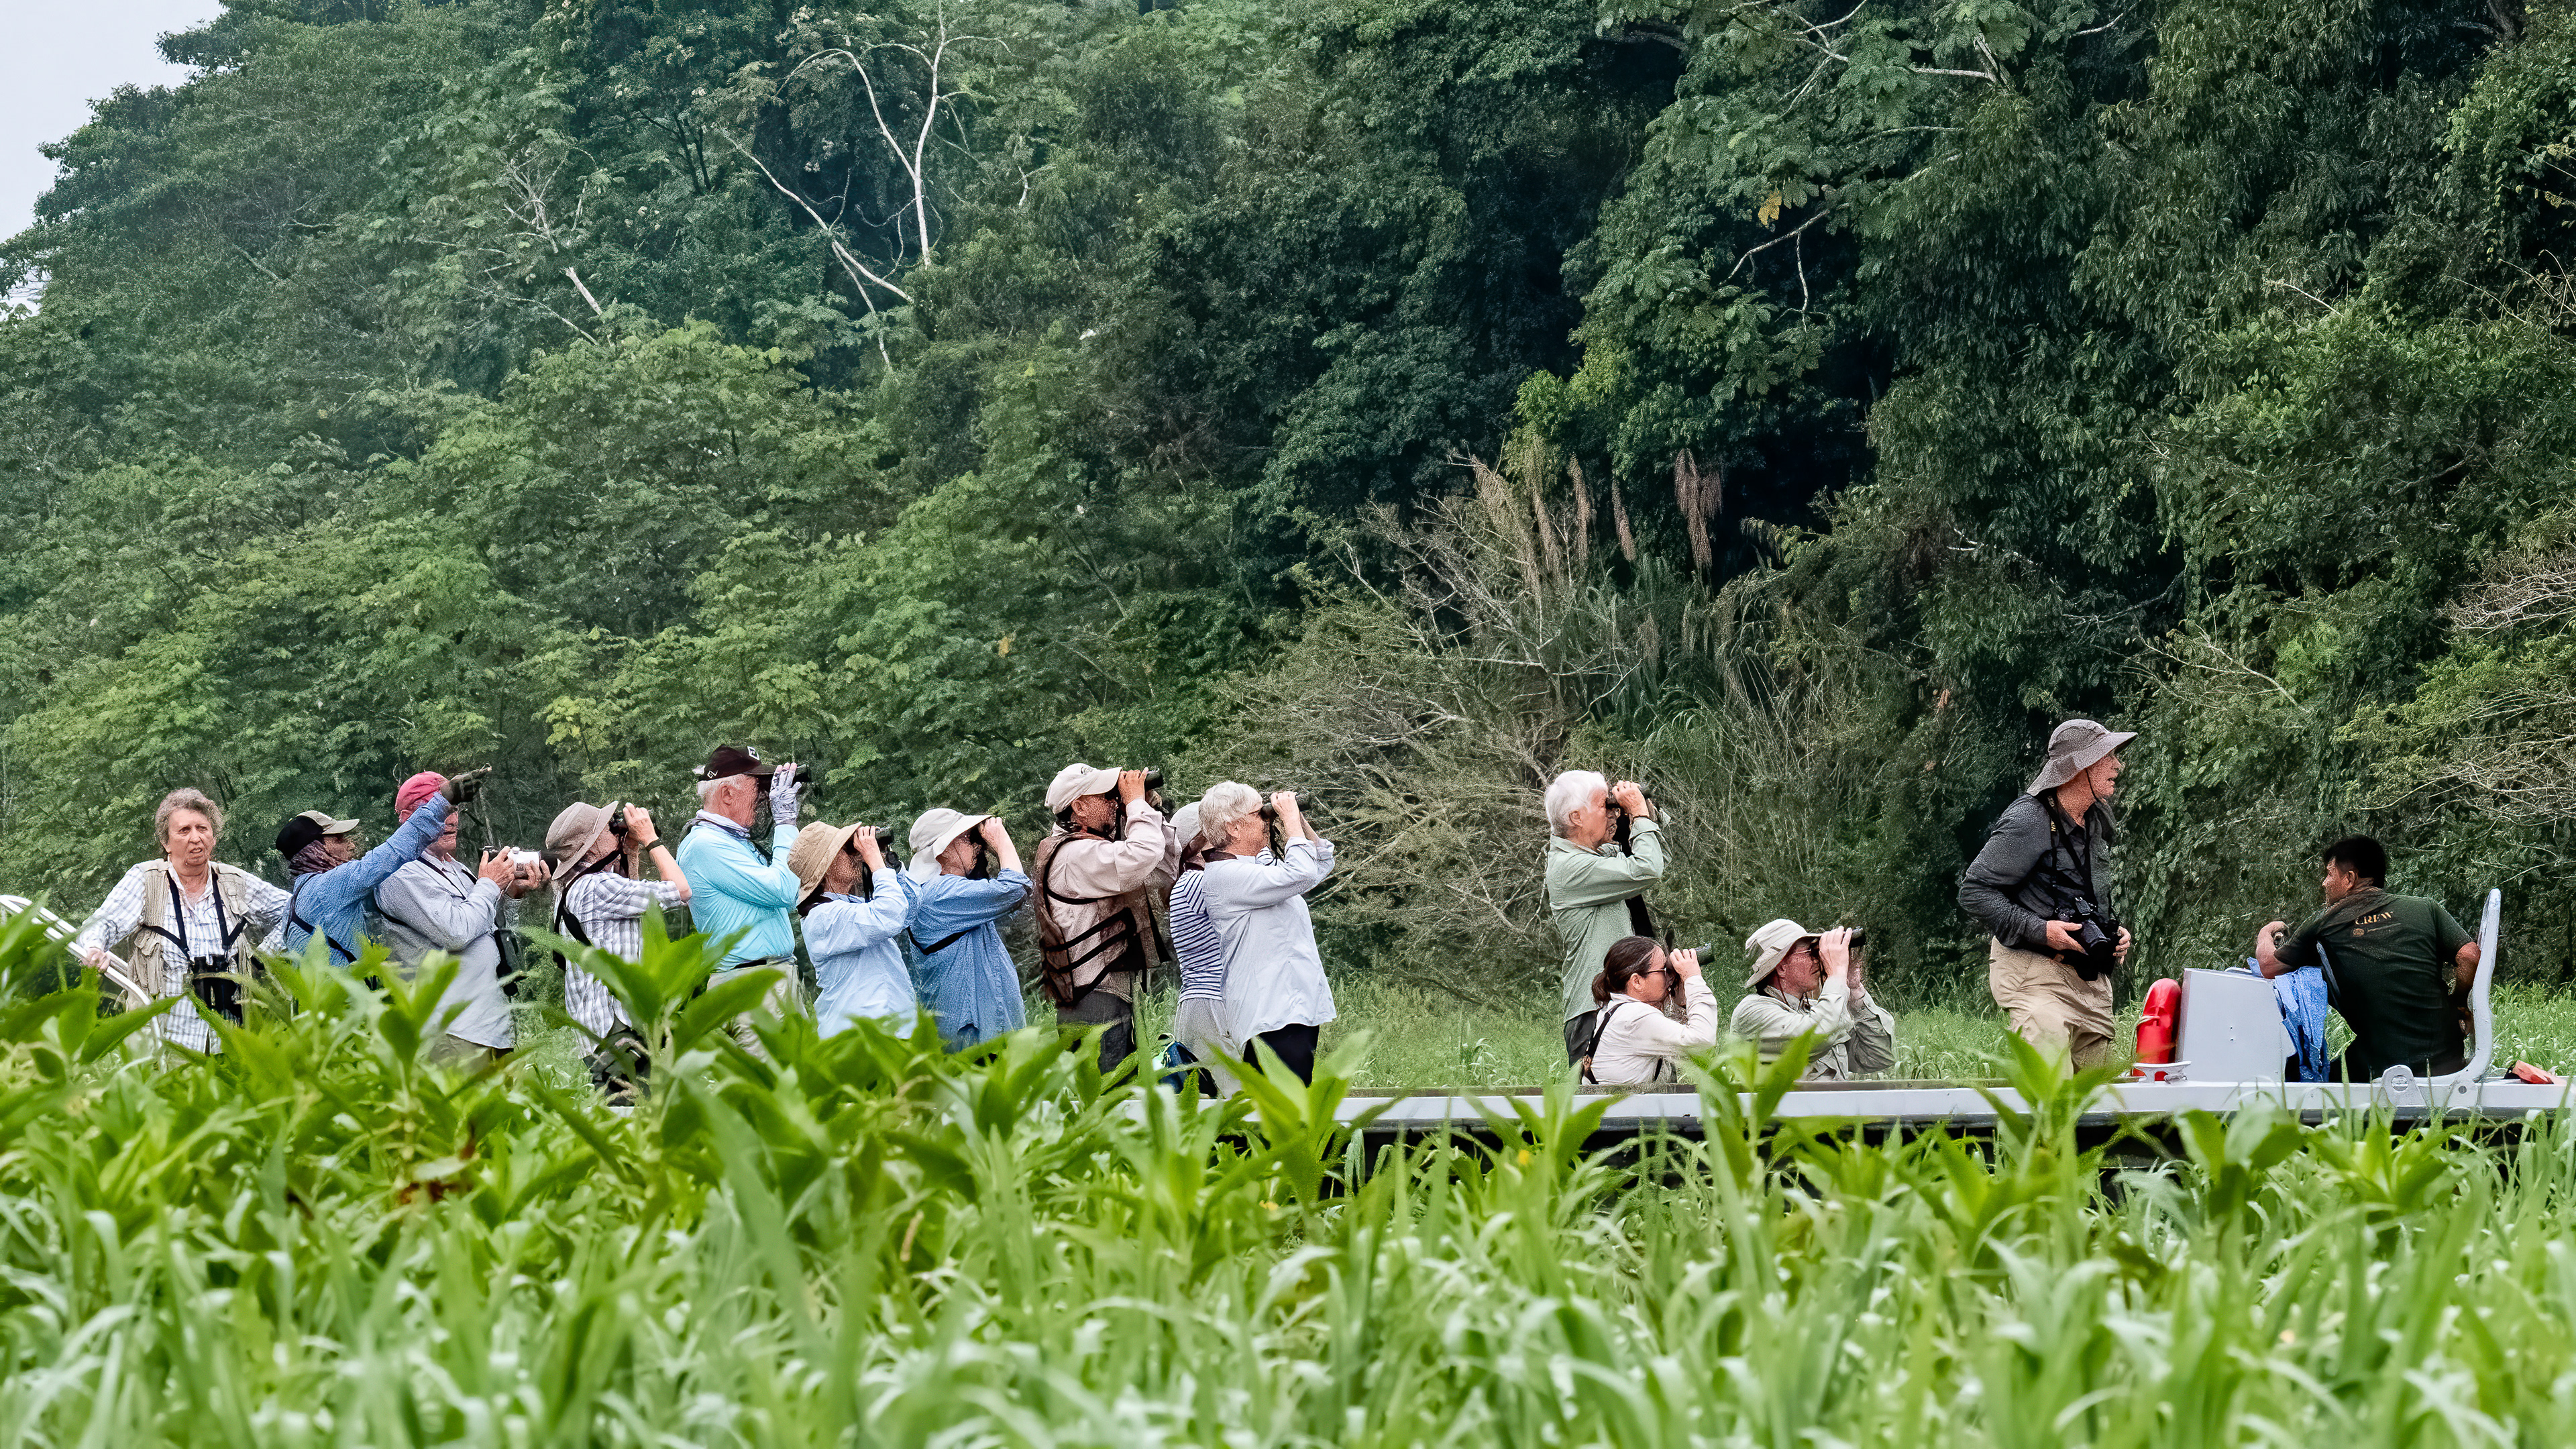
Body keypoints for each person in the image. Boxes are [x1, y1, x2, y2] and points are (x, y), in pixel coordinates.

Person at [1958, 719, 2136, 1073]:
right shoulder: (2029, 818)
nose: (2119, 765)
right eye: (2108, 756)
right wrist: (2042, 930)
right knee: (2052, 1092)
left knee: (2102, 1099)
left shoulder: (2097, 818)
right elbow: (1974, 891)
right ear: (2079, 767)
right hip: (2036, 976)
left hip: (2089, 982)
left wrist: (2111, 933)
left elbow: (2083, 892)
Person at [74, 788, 290, 1052]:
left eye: (202, 828)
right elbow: (102, 923)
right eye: (184, 830)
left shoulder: (234, 882)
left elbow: (295, 909)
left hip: (233, 1043)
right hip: (164, 1046)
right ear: (166, 842)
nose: (195, 838)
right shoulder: (146, 881)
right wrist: (94, 948)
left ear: (213, 838)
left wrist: (262, 960)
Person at [2257, 835, 2479, 1081]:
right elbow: (2470, 955)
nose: (2324, 883)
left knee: (2293, 1076)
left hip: (2382, 1064)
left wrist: (2266, 932)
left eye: (2329, 874)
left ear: (2350, 879)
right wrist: (2459, 1001)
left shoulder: (2325, 922)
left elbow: (2269, 966)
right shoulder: (2425, 907)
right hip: (2447, 1058)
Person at [374, 771, 548, 1066]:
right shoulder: (401, 873)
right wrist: (489, 883)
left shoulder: (458, 869)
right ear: (408, 819)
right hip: (451, 1032)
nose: (452, 819)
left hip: (492, 1029)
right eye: (441, 809)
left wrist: (513, 894)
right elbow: (455, 932)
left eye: (454, 809)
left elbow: (485, 926)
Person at [1030, 762, 1179, 1073]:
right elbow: (1143, 854)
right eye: (1106, 796)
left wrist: (1147, 810)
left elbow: (1164, 872)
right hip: (1094, 1000)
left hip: (1102, 997)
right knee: (1107, 1096)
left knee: (1119, 1094)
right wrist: (1135, 804)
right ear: (1079, 807)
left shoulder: (1090, 849)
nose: (1114, 802)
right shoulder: (1074, 855)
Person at [271, 768, 488, 967]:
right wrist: (444, 799)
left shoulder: (294, 904)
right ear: (314, 850)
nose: (350, 845)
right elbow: (393, 852)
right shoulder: (328, 888)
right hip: (347, 997)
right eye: (338, 839)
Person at [544, 800, 690, 1092]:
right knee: (628, 1112)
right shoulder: (598, 886)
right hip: (617, 1029)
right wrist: (650, 839)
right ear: (594, 845)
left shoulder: (574, 887)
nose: (615, 831)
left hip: (603, 1027)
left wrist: (630, 850)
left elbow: (630, 902)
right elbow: (681, 890)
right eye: (608, 829)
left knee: (629, 1109)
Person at [672, 745, 806, 1055]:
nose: (765, 799)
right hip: (751, 987)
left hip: (770, 979)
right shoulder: (706, 845)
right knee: (766, 1083)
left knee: (801, 1081)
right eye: (758, 789)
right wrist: (786, 822)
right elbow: (785, 891)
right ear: (728, 794)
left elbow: (789, 894)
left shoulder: (731, 841)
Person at [1198, 783, 1336, 1083]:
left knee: (1293, 1100)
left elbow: (1318, 865)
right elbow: (1301, 873)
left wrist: (1297, 820)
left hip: (1291, 1007)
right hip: (1272, 1011)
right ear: (1234, 828)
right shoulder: (1226, 876)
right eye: (1259, 813)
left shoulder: (1256, 866)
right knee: (1283, 1104)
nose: (1266, 818)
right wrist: (1289, 820)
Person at [1544, 769, 1668, 1065]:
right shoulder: (1569, 867)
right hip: (1595, 1012)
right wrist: (1637, 814)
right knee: (1602, 1096)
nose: (1612, 812)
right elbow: (1647, 869)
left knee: (1653, 1093)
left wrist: (1646, 813)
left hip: (1625, 1004)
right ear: (1576, 817)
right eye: (1604, 805)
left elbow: (1659, 859)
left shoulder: (1596, 856)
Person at [904, 809, 1031, 1049]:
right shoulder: (940, 893)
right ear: (943, 850)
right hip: (971, 1040)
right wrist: (1001, 841)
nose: (977, 845)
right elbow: (1015, 889)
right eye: (967, 837)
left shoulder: (953, 892)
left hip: (980, 1035)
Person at [789, 821, 919, 1036]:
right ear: (827, 867)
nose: (855, 855)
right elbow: (891, 914)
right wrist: (875, 862)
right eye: (847, 849)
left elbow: (909, 911)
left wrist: (890, 866)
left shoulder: (849, 905)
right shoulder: (822, 917)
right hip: (860, 1037)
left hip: (883, 1031)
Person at [1731, 920, 1896, 1080]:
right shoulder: (1752, 1012)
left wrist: (1853, 988)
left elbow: (1878, 1057)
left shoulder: (1817, 1011)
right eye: (1810, 952)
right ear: (1781, 967)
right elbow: (1815, 1036)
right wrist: (1836, 974)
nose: (1818, 959)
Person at [1162, 802, 1238, 1095]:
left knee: (1209, 1098)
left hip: (1201, 1004)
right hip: (1211, 1004)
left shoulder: (1190, 882)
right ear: (1200, 840)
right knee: (1234, 1098)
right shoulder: (1198, 882)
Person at [1584, 937, 1717, 1086]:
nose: (1670, 976)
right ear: (1637, 982)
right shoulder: (1635, 1017)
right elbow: (1703, 1041)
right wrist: (1693, 978)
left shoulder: (1615, 1010)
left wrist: (1683, 1001)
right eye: (1663, 970)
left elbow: (1689, 1050)